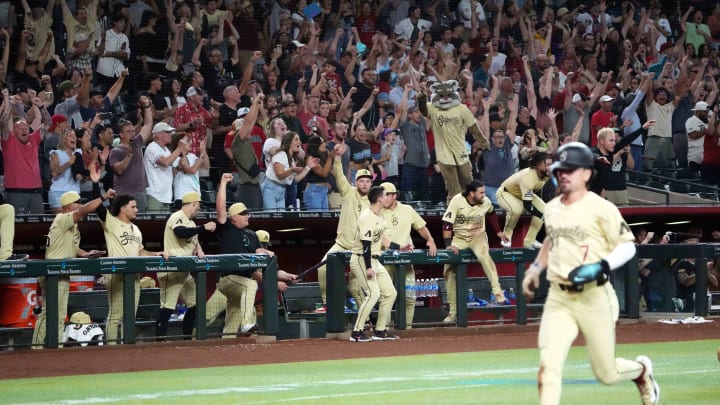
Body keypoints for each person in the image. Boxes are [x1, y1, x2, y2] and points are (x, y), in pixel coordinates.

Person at [521, 142, 659, 405]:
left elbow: (628, 246)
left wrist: (602, 265)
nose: (563, 174)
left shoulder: (602, 207)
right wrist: (536, 268)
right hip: (559, 298)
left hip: (595, 296)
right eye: (560, 169)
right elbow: (552, 241)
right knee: (548, 368)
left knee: (606, 373)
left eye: (570, 170)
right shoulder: (551, 207)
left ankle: (641, 372)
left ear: (586, 173)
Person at [32, 189, 114, 348]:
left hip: (61, 273)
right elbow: (83, 211)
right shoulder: (62, 218)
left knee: (59, 314)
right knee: (49, 312)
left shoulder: (73, 226)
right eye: (78, 202)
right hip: (51, 272)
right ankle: (36, 347)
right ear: (69, 206)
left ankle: (55, 347)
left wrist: (86, 254)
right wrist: (103, 197)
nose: (81, 205)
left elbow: (73, 248)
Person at [97, 194, 165, 344]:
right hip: (116, 274)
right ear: (122, 209)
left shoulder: (136, 228)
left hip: (133, 276)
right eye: (133, 207)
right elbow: (98, 208)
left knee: (129, 315)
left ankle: (126, 346)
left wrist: (155, 254)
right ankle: (111, 347)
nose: (137, 210)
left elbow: (140, 252)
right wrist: (98, 188)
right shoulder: (112, 222)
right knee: (116, 315)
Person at [442, 180, 510, 324]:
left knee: (484, 256)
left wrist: (498, 232)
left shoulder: (485, 202)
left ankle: (498, 292)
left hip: (478, 236)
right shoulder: (457, 201)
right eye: (481, 192)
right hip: (459, 238)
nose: (484, 195)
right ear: (471, 193)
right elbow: (447, 224)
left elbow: (491, 213)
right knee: (448, 270)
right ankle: (453, 312)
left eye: (484, 192)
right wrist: (449, 245)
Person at [214, 173, 274, 337]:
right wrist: (223, 183)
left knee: (234, 314)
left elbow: (258, 252)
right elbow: (220, 208)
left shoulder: (252, 235)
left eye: (248, 213)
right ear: (233, 217)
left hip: (241, 282)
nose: (248, 216)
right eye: (244, 213)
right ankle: (248, 323)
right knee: (250, 285)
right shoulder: (227, 228)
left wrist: (265, 251)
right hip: (227, 279)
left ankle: (228, 341)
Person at [348, 186, 409, 342]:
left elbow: (384, 240)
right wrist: (368, 267)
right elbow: (366, 244)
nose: (388, 198)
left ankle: (380, 330)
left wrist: (401, 247)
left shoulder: (379, 216)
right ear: (379, 199)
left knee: (390, 293)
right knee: (373, 294)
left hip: (375, 260)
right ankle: (356, 332)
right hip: (362, 259)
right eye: (386, 195)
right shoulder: (366, 216)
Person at [155, 191, 217, 341]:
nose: (199, 209)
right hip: (172, 270)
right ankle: (159, 343)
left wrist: (199, 249)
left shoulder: (191, 222)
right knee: (167, 308)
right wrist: (203, 228)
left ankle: (187, 339)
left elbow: (193, 241)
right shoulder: (177, 216)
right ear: (193, 203)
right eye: (199, 206)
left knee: (195, 305)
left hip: (185, 272)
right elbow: (180, 232)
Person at [316, 144, 372, 308]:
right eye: (361, 181)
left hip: (360, 249)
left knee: (357, 286)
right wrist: (338, 157)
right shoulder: (349, 192)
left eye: (367, 181)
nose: (364, 184)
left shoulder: (374, 202)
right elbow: (339, 174)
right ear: (356, 182)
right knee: (323, 269)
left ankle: (367, 318)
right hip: (342, 244)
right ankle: (328, 304)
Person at [379, 182, 436, 328]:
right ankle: (383, 328)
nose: (382, 198)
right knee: (386, 297)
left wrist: (430, 239)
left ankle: (408, 329)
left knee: (410, 297)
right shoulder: (376, 210)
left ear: (394, 196)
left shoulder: (407, 209)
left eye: (385, 195)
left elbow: (421, 227)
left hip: (405, 260)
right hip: (385, 260)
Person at [496, 153, 552, 249]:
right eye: (547, 164)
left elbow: (533, 191)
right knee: (516, 210)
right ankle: (507, 236)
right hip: (506, 193)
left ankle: (529, 241)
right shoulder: (528, 177)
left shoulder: (546, 174)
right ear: (538, 165)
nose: (550, 167)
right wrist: (542, 216)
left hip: (522, 195)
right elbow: (527, 206)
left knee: (544, 209)